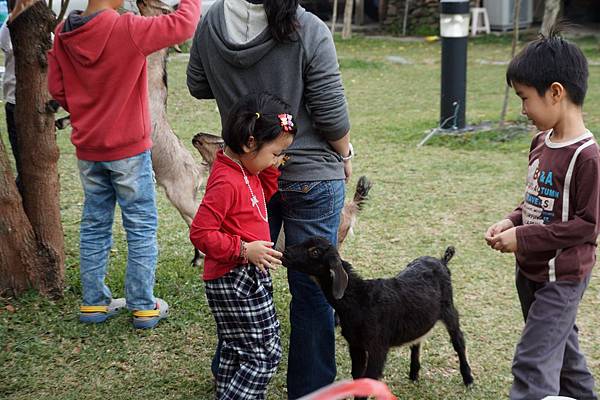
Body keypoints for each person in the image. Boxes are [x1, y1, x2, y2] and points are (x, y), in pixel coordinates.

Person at [186, 0, 352, 396]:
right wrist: (345, 154)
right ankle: (310, 391)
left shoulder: (211, 22)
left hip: (249, 171)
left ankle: (230, 371)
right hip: (311, 175)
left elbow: (197, 84)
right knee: (312, 287)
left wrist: (242, 97)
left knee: (240, 276)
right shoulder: (307, 28)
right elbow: (331, 114)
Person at [47, 0, 200, 328]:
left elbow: (57, 89)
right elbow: (184, 24)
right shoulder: (128, 28)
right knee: (141, 226)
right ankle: (144, 306)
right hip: (129, 150)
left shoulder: (63, 34)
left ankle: (93, 304)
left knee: (94, 225)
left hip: (88, 150)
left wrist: (90, 106)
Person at [485, 27, 599, 400]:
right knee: (563, 358)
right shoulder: (541, 142)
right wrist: (513, 221)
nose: (522, 110)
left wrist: (524, 238)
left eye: (525, 98)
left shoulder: (588, 157)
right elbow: (536, 200)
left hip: (561, 278)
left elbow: (588, 225)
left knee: (532, 364)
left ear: (555, 92)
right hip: (530, 271)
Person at [190, 92, 295, 399]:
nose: (279, 160)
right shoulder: (226, 181)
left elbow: (265, 190)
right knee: (263, 354)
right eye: (276, 153)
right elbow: (200, 232)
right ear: (250, 143)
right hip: (236, 277)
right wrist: (243, 250)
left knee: (238, 349)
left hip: (245, 276)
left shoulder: (245, 170)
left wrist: (272, 166)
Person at [0, 0, 18, 191]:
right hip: (14, 101)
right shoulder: (9, 26)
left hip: (40, 106)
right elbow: (8, 45)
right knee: (22, 160)